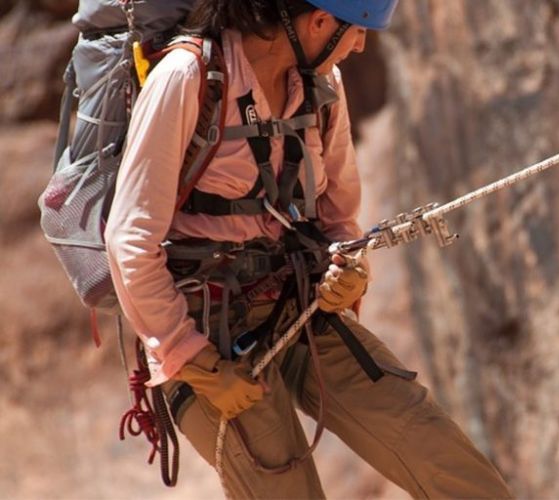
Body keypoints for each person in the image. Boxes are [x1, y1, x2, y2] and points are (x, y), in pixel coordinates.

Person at [103, 0, 513, 497]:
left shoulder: (323, 87)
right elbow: (130, 237)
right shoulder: (188, 77)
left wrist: (350, 272)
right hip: (204, 330)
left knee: (443, 457)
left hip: (300, 307)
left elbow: (339, 218)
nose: (361, 44)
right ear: (318, 22)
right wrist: (195, 363)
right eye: (358, 31)